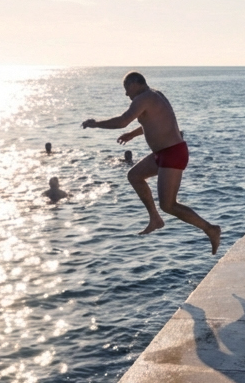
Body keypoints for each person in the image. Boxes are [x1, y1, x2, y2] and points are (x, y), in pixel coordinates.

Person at [82, 71, 221, 252]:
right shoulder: (155, 95)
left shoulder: (142, 99)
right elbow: (154, 121)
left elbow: (122, 121)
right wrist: (132, 134)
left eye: (126, 89)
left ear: (134, 84)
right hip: (162, 153)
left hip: (172, 153)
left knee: (169, 205)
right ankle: (155, 219)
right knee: (134, 175)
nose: (126, 94)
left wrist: (96, 123)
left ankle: (211, 229)